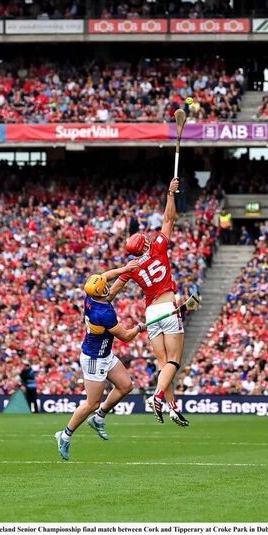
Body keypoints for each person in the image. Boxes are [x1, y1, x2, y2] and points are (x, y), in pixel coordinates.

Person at [110, 176, 191, 427]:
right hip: (168, 307)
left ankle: (172, 407)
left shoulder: (131, 267)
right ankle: (156, 396)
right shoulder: (156, 246)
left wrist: (98, 292)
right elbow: (169, 219)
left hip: (150, 314)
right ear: (144, 242)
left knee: (162, 364)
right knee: (174, 361)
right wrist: (170, 193)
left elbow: (112, 293)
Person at [55, 266, 146, 461]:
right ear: (103, 291)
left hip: (104, 353)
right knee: (91, 403)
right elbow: (126, 337)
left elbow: (106, 278)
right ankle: (64, 435)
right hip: (94, 358)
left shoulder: (90, 297)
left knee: (125, 386)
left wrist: (127, 269)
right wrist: (139, 327)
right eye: (106, 287)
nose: (108, 285)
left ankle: (99, 417)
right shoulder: (104, 313)